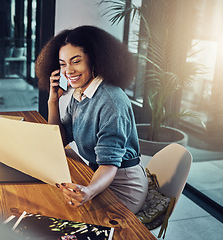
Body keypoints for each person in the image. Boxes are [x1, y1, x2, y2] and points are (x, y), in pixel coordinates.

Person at [35, 25, 148, 214]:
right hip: (97, 175)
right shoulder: (81, 94)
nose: (68, 71)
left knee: (65, 212)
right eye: (63, 64)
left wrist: (88, 191)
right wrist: (53, 101)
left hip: (123, 187)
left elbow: (109, 165)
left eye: (76, 61)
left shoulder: (111, 103)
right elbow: (59, 141)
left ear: (95, 60)